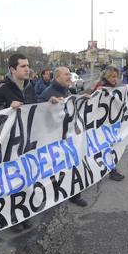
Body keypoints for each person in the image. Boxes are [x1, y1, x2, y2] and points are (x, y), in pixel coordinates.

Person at [0, 53, 37, 230]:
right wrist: (8, 109)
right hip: (9, 144)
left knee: (25, 178)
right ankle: (11, 216)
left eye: (28, 65)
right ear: (12, 69)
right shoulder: (2, 89)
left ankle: (23, 211)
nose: (27, 69)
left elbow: (36, 108)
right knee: (10, 180)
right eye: (23, 66)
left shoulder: (30, 88)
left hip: (27, 141)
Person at [39, 66, 88, 207]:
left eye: (70, 75)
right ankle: (54, 194)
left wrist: (80, 99)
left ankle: (75, 194)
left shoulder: (66, 90)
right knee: (58, 168)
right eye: (66, 75)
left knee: (74, 164)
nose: (70, 77)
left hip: (69, 136)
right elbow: (38, 114)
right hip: (55, 139)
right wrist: (48, 104)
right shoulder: (48, 93)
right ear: (57, 77)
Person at [92, 66, 125, 182]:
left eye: (116, 77)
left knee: (109, 147)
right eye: (112, 76)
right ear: (107, 76)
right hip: (101, 124)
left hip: (110, 123)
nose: (115, 79)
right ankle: (111, 171)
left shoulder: (113, 88)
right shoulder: (101, 87)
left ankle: (110, 169)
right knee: (106, 148)